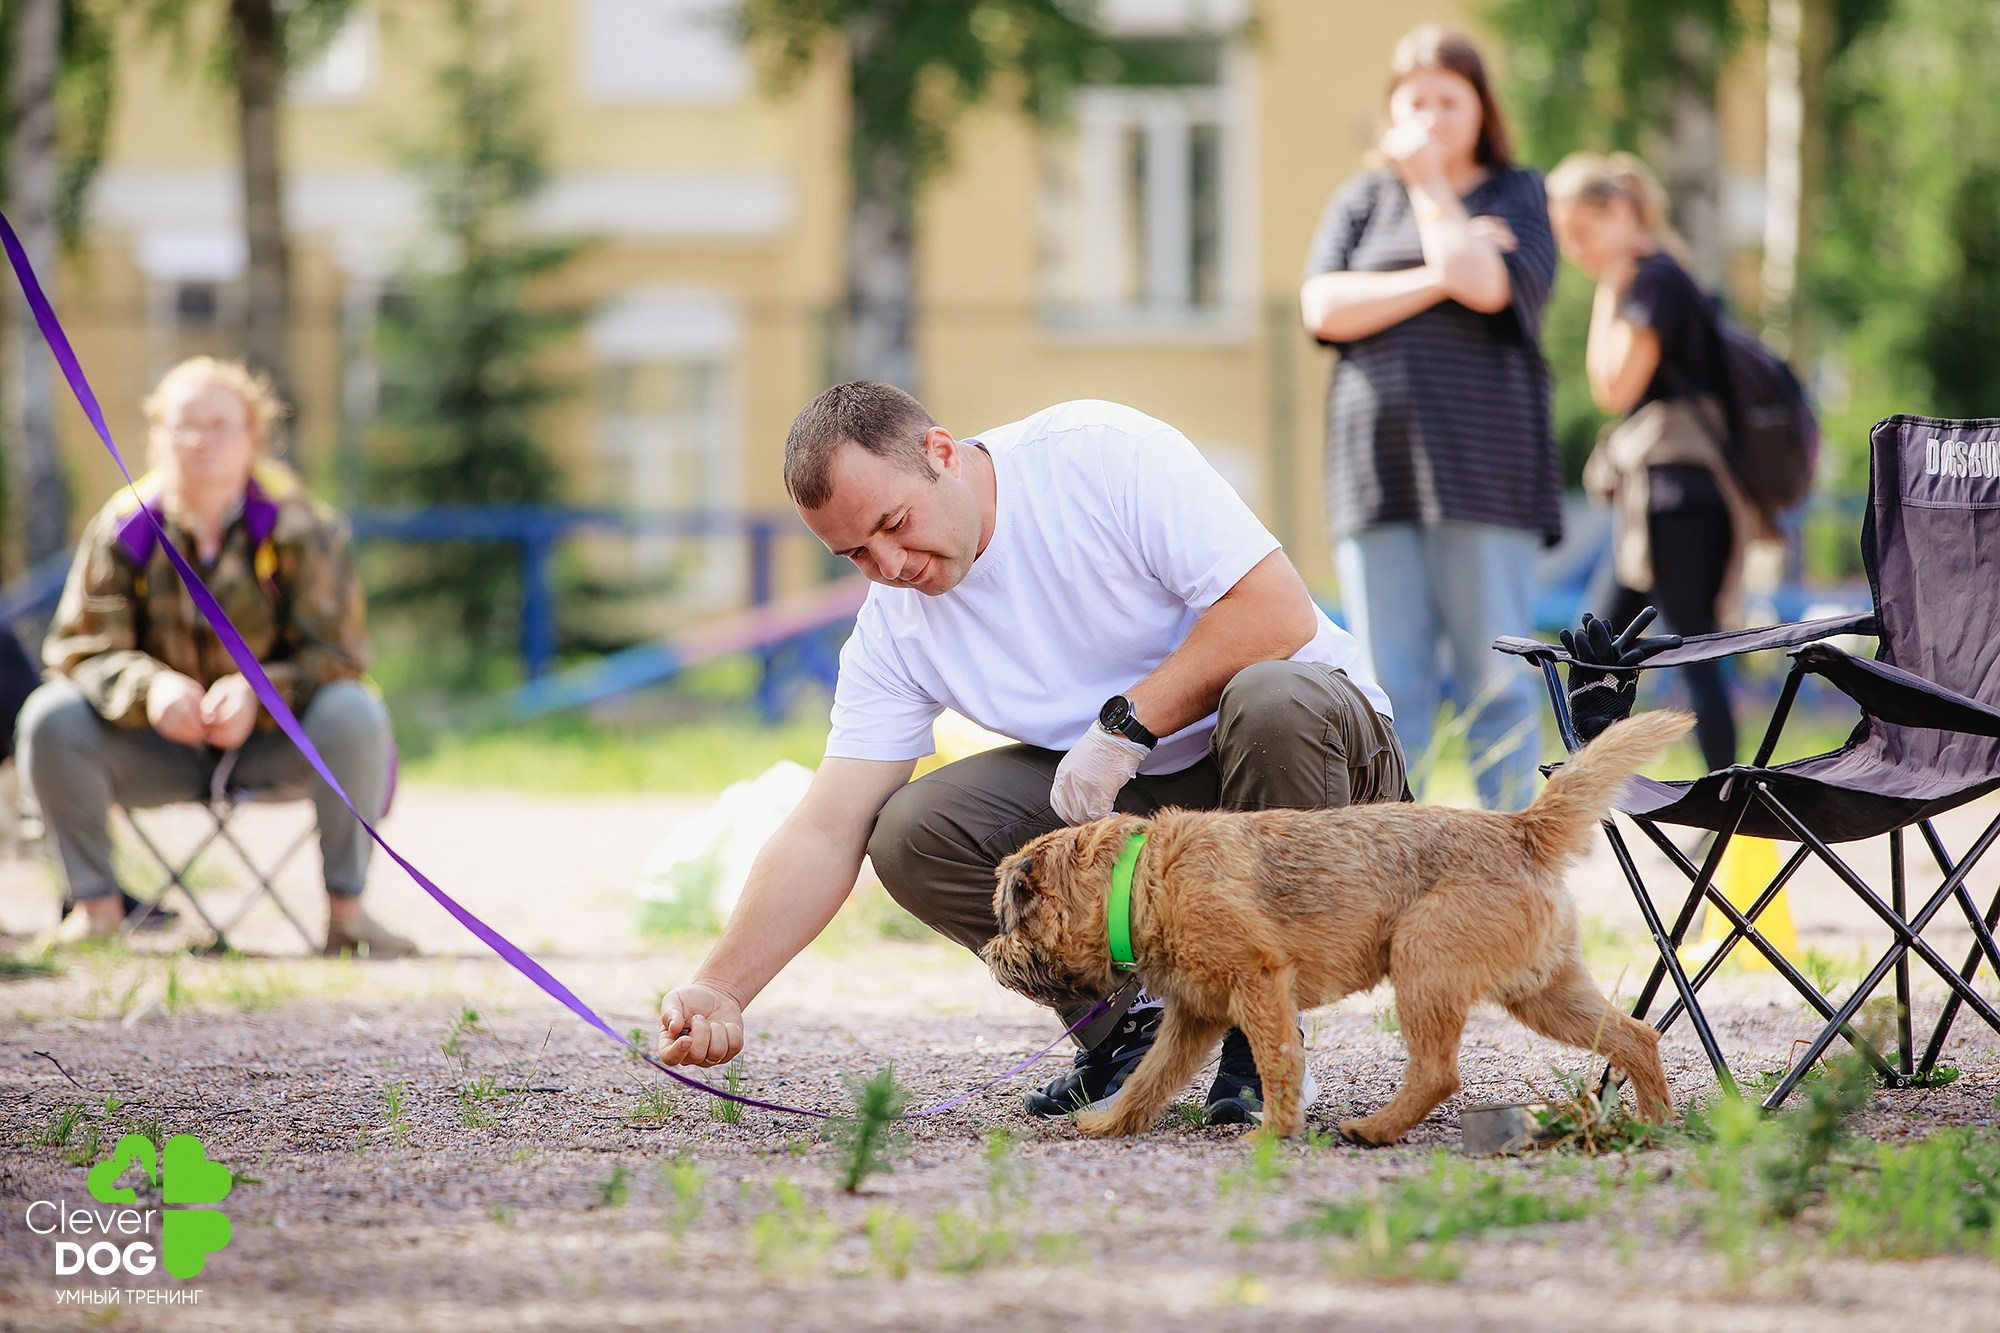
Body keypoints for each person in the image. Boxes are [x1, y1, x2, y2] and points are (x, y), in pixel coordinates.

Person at [656, 383, 1406, 1125]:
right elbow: (826, 827)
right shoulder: (894, 628)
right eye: (854, 552)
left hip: (1315, 773)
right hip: (1143, 808)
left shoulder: (1100, 456)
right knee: (912, 829)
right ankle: (1125, 1030)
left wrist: (1124, 727)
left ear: (940, 453)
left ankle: (1263, 1035)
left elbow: (1276, 612)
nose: (888, 564)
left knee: (1274, 697)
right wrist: (721, 986)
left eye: (893, 522)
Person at [15, 356, 415, 957]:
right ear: (157, 436)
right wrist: (151, 690)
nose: (201, 440)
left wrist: (261, 694)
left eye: (220, 425)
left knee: (354, 711)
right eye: (183, 424)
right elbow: (78, 649)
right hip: (152, 747)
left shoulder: (300, 527)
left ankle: (347, 917)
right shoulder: (125, 528)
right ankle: (95, 911)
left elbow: (341, 652)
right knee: (50, 715)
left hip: (271, 747)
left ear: (253, 437)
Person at [1297, 24, 1561, 811]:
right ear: (1391, 109)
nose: (1433, 117)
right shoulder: (1359, 199)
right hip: (1375, 473)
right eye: (1416, 101)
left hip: (1487, 474)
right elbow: (1323, 305)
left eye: (1450, 99)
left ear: (1482, 108)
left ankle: (1520, 866)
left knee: (1496, 679)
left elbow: (1485, 286)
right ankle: (1385, 861)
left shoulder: (1517, 191)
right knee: (1387, 685)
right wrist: (1436, 272)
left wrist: (1432, 190)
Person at [1546, 151, 1762, 773]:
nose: (1576, 252)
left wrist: (1609, 287)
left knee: (1690, 652)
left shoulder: (1652, 281)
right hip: (1665, 497)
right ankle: (1596, 789)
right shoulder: (1667, 276)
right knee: (1599, 643)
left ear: (1620, 212)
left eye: (1580, 233)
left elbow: (1610, 388)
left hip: (1680, 497)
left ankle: (1728, 800)